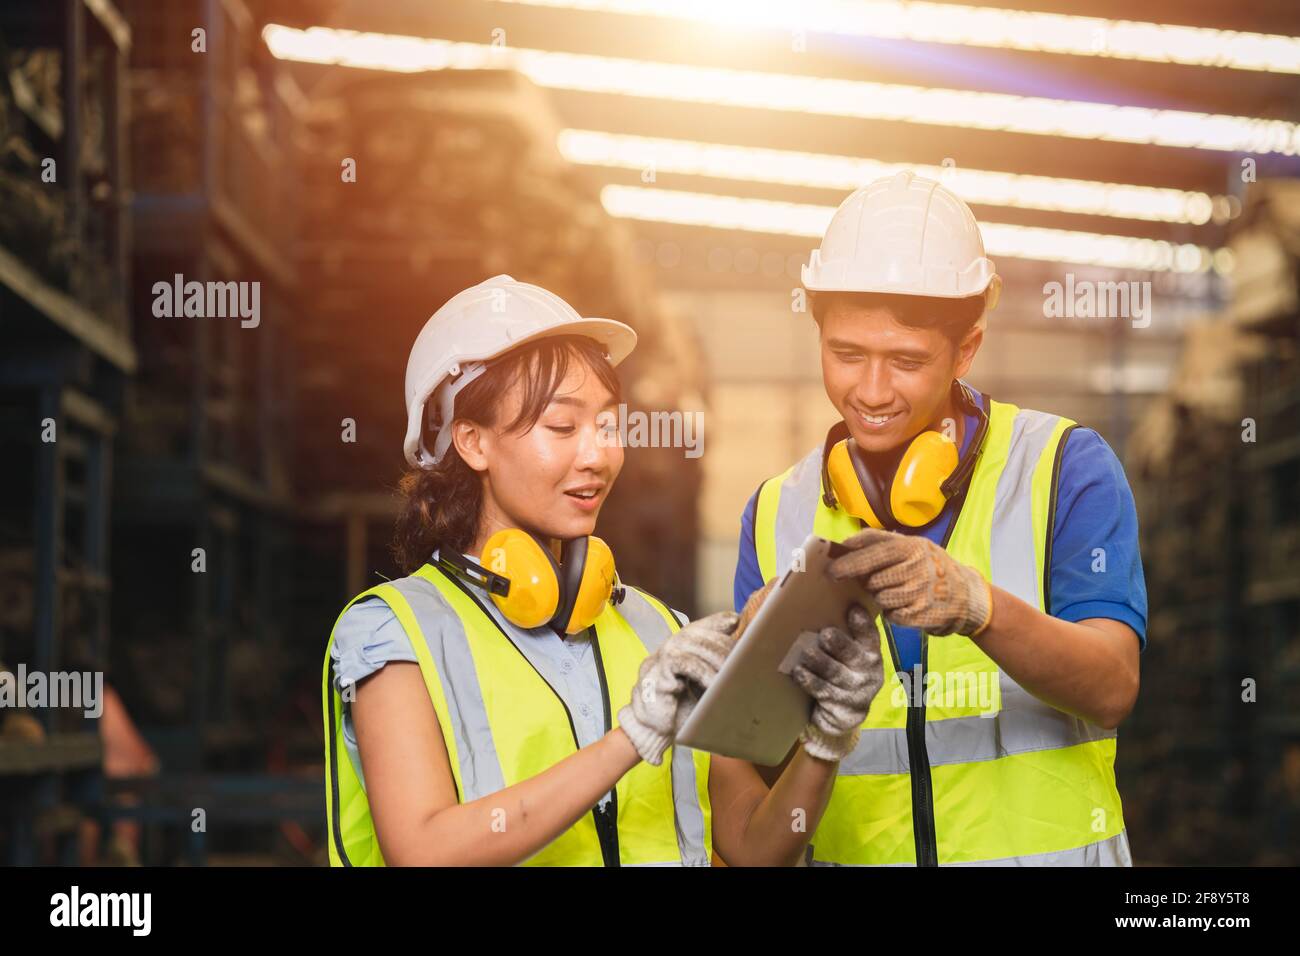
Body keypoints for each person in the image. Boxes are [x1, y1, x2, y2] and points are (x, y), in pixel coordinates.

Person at [322, 274, 884, 866]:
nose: (598, 455)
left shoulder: (657, 629)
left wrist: (825, 741)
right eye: (562, 427)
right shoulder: (396, 634)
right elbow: (423, 852)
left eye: (609, 426)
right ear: (472, 441)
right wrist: (631, 738)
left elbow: (751, 847)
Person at [733, 172, 1146, 866]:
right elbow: (753, 770)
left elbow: (1112, 688)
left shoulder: (1062, 467)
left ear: (967, 349)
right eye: (845, 355)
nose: (869, 391)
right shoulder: (778, 511)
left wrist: (979, 606)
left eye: (906, 361)